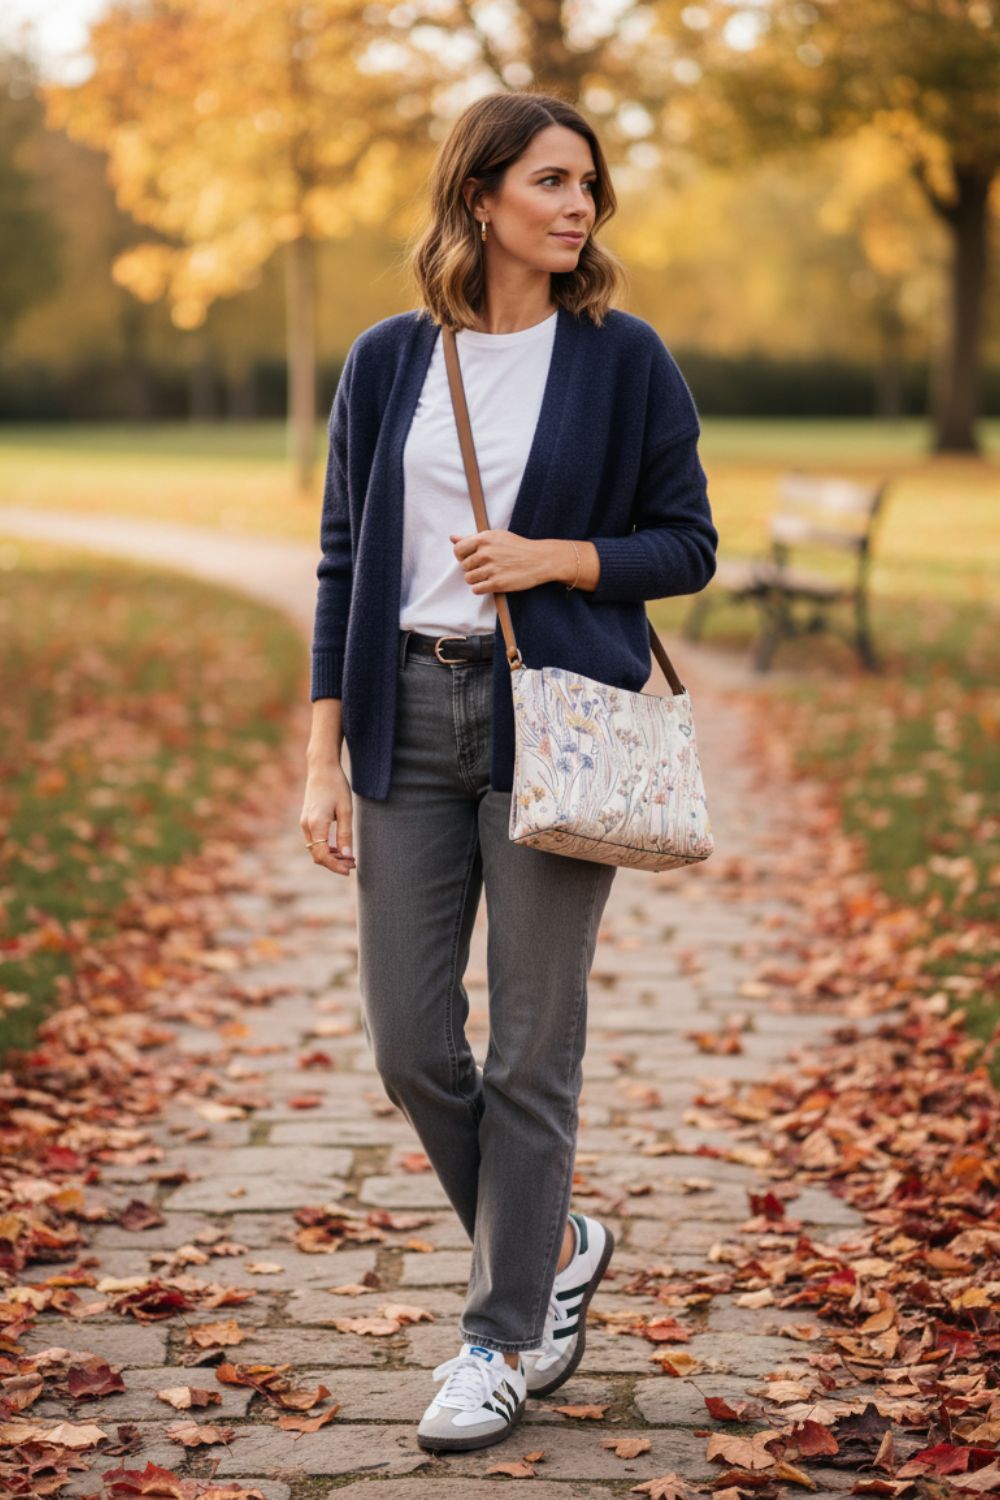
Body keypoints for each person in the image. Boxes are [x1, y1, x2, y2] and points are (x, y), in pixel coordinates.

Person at [300, 88, 718, 1454]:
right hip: (403, 721)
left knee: (535, 1051)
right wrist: (321, 757)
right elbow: (343, 561)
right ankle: (557, 1235)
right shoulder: (384, 358)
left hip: (558, 720)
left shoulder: (623, 356)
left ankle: (500, 1338)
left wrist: (556, 560)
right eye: (551, 180)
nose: (579, 203)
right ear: (481, 197)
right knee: (415, 1046)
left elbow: (687, 545)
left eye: (588, 182)